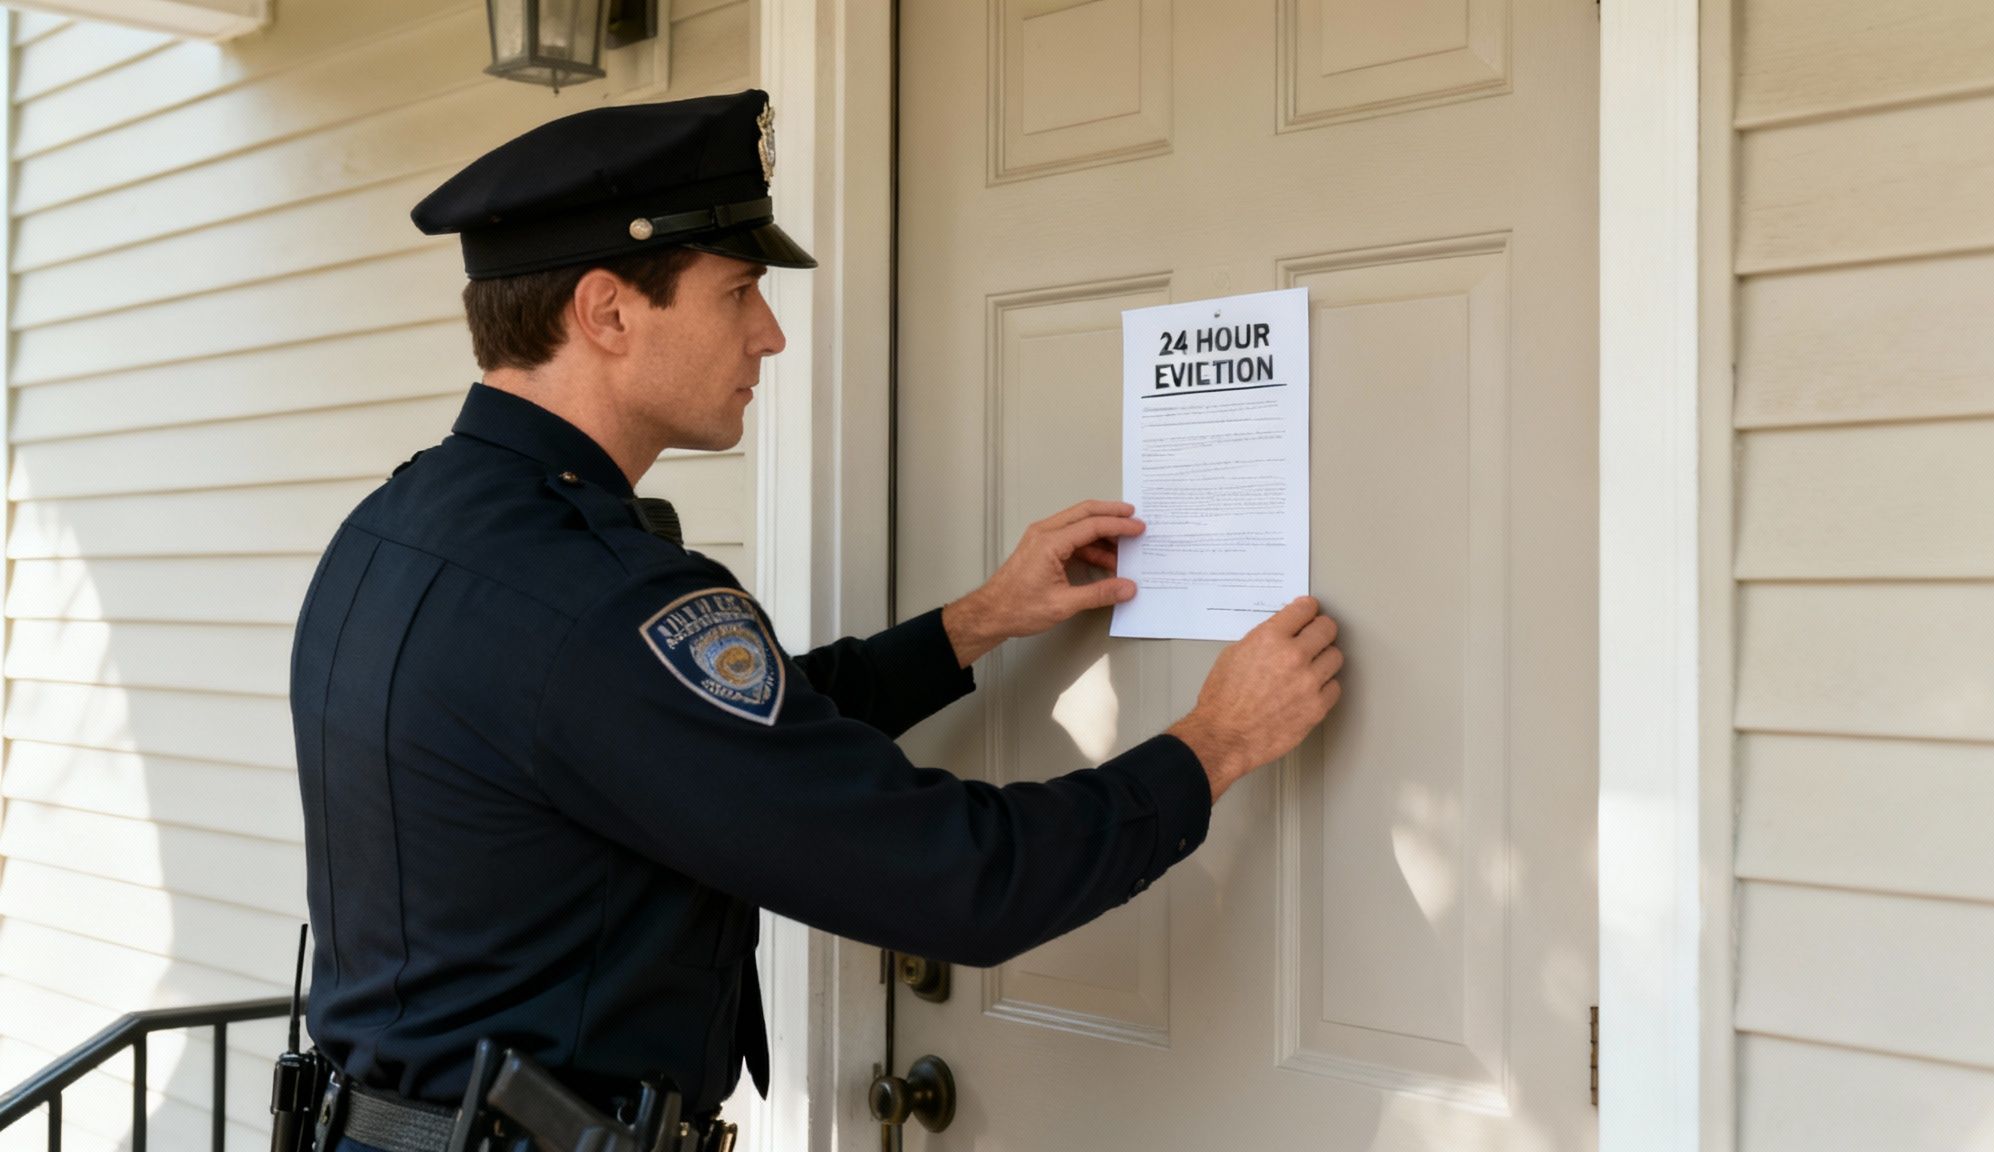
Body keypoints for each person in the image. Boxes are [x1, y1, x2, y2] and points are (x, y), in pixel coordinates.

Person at [289, 89, 1342, 1152]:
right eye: (739, 290)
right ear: (607, 312)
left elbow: (699, 741)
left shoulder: (393, 530)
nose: (771, 334)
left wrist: (975, 622)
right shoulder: (597, 597)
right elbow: (962, 883)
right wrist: (1215, 741)